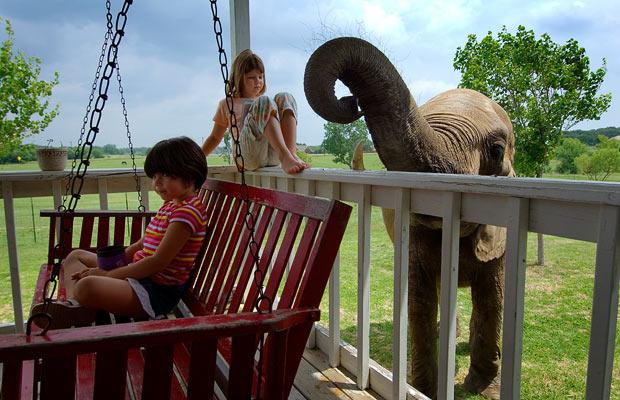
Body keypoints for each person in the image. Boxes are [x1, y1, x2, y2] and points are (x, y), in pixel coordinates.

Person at [31, 136, 209, 329]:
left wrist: (109, 275)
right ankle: (77, 305)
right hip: (138, 274)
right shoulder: (170, 206)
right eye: (154, 176)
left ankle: (79, 302)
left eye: (165, 175)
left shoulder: (187, 213)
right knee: (75, 256)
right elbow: (143, 243)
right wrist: (117, 261)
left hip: (153, 292)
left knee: (87, 284)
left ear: (190, 175)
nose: (157, 183)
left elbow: (158, 262)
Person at [202, 49, 309, 174]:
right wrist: (196, 158)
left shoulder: (266, 104)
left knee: (285, 96)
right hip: (248, 156)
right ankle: (286, 156)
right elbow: (215, 137)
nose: (258, 81)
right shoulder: (227, 104)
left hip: (273, 154)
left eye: (260, 77)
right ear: (239, 79)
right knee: (263, 102)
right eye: (251, 78)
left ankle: (290, 154)